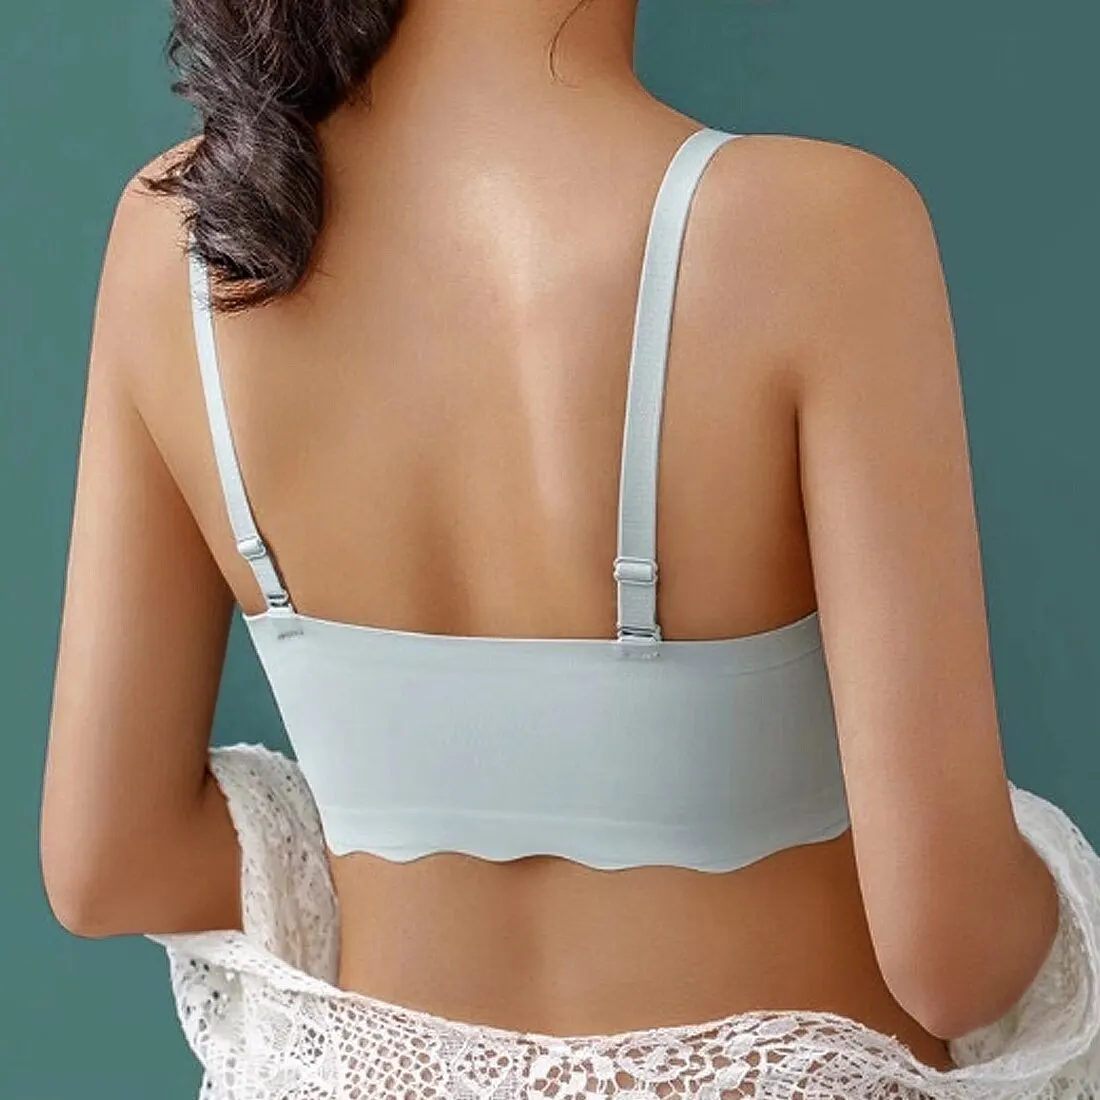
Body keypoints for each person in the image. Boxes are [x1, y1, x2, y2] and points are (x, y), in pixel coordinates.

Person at [39, 1, 1100, 1097]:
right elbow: (954, 959)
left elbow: (108, 865)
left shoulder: (190, 236)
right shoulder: (813, 230)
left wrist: (392, 826)